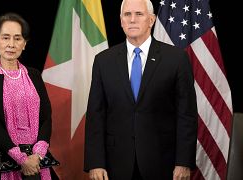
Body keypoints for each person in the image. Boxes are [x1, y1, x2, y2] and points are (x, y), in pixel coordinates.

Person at [84, 0, 198, 179]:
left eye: (139, 14)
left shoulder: (176, 59)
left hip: (163, 163)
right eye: (127, 15)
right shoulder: (103, 61)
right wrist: (95, 163)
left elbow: (187, 115)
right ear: (121, 21)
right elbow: (95, 115)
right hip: (116, 164)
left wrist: (183, 162)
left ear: (151, 20)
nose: (132, 20)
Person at [0, 12, 52, 180]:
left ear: (24, 44)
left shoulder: (34, 75)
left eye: (17, 38)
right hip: (1, 153)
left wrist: (37, 154)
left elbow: (46, 117)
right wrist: (21, 158)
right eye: (5, 38)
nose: (11, 44)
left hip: (36, 155)